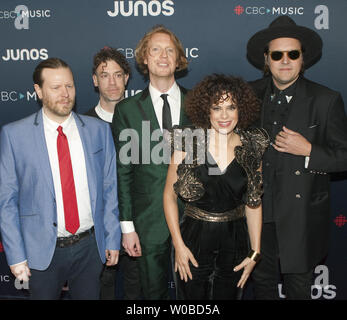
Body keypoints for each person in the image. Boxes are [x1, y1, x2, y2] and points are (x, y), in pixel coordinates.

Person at [0, 58, 121, 300]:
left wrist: (112, 237)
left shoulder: (98, 131)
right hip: (41, 252)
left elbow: (109, 189)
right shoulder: (14, 136)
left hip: (90, 247)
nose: (65, 94)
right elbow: (7, 201)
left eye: (70, 86)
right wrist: (16, 256)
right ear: (38, 90)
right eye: (55, 88)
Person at [246, 15, 347, 299]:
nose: (285, 60)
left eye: (293, 53)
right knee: (262, 286)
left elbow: (343, 156)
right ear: (267, 59)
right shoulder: (248, 96)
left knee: (299, 290)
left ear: (303, 59)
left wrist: (309, 151)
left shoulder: (326, 100)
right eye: (277, 54)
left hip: (301, 218)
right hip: (257, 214)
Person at [163, 74, 269, 300]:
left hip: (236, 241)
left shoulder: (251, 148)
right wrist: (178, 245)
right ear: (206, 111)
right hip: (193, 239)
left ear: (241, 110)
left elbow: (253, 203)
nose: (224, 115)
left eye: (231, 107)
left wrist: (255, 252)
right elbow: (169, 197)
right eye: (216, 108)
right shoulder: (188, 143)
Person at [112, 25, 190, 299]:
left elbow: (206, 165)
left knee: (192, 296)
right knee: (152, 296)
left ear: (179, 59)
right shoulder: (127, 111)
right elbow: (123, 172)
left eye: (170, 50)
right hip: (148, 221)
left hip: (193, 219)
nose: (163, 56)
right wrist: (127, 226)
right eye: (155, 49)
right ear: (144, 58)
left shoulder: (198, 104)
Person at [85, 47, 141, 300]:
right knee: (102, 286)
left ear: (127, 78)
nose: (112, 82)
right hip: (98, 223)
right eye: (104, 75)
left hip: (137, 218)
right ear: (95, 81)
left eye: (118, 75)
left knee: (136, 285)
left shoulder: (141, 120)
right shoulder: (82, 125)